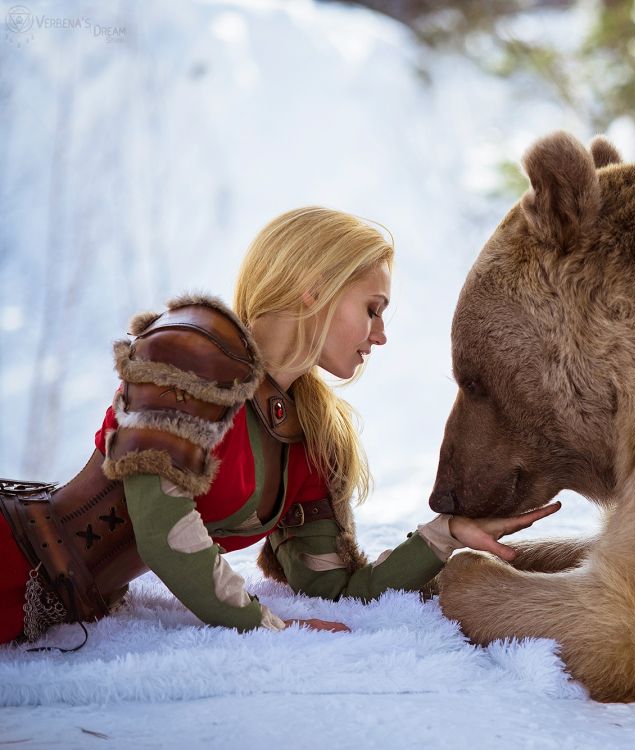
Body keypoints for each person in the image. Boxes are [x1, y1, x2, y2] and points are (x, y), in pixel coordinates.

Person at [0, 206, 558, 646]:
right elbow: (162, 531)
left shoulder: (307, 433)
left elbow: (334, 587)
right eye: (372, 307)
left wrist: (447, 534)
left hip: (63, 614)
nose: (381, 333)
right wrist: (268, 628)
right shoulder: (188, 351)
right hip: (15, 555)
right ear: (314, 288)